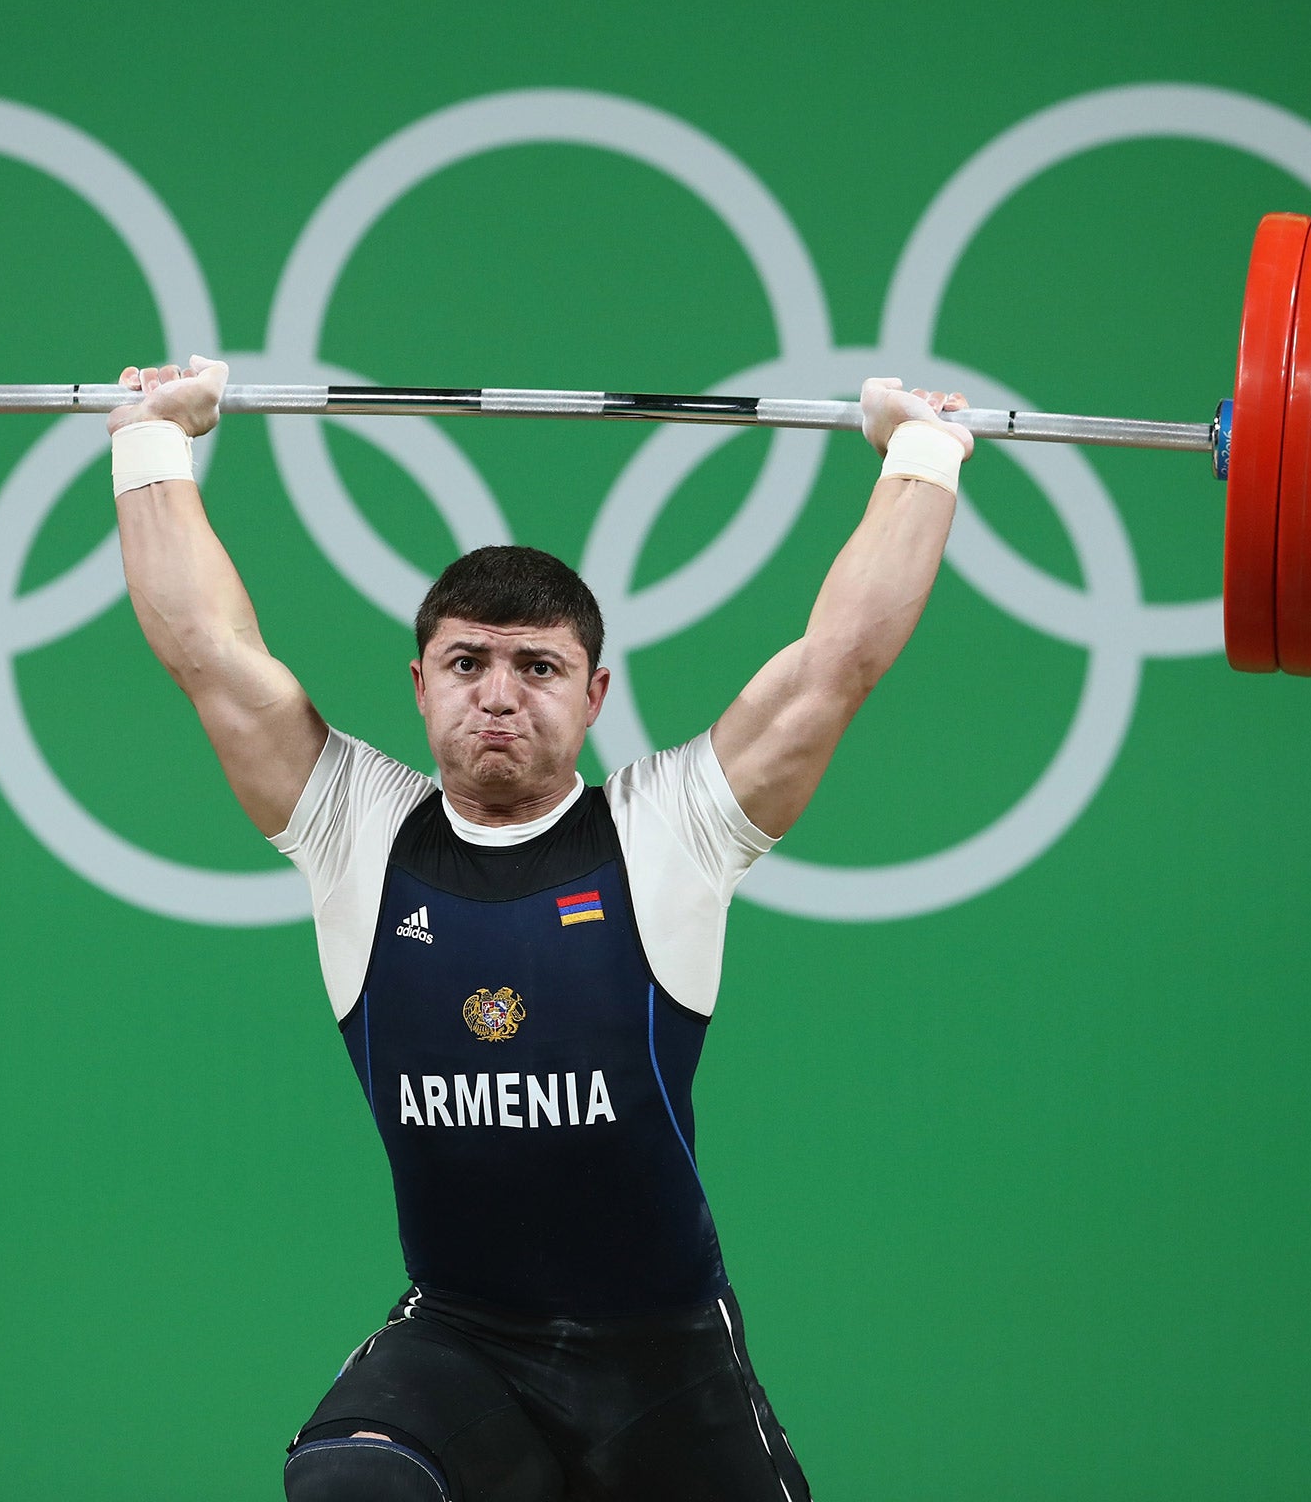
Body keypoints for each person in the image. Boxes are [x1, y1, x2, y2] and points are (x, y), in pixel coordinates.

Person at [107, 357, 972, 1502]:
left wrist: (918, 454)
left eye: (537, 668)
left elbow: (837, 665)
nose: (498, 695)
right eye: (466, 664)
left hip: (661, 1361)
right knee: (349, 1490)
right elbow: (206, 653)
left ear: (596, 693)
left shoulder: (672, 828)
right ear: (418, 686)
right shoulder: (354, 828)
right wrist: (151, 440)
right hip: (465, 1343)